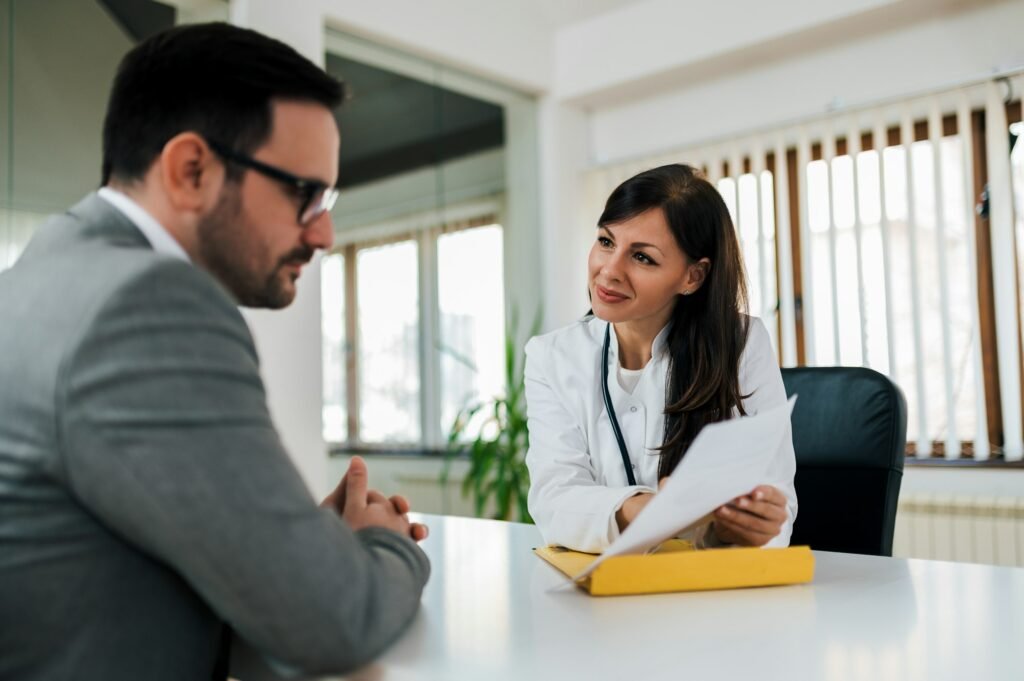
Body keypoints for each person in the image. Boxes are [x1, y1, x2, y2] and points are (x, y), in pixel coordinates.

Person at [0, 23, 430, 680]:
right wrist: (384, 546)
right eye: (304, 192)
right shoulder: (146, 303)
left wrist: (294, 543)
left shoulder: (41, 274)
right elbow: (335, 619)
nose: (325, 232)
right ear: (190, 169)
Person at [525, 163, 797, 554]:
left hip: (712, 599)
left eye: (642, 258)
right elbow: (554, 500)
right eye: (606, 241)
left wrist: (753, 524)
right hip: (601, 601)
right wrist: (652, 510)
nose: (609, 271)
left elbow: (776, 503)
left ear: (693, 277)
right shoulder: (551, 356)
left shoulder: (741, 343)